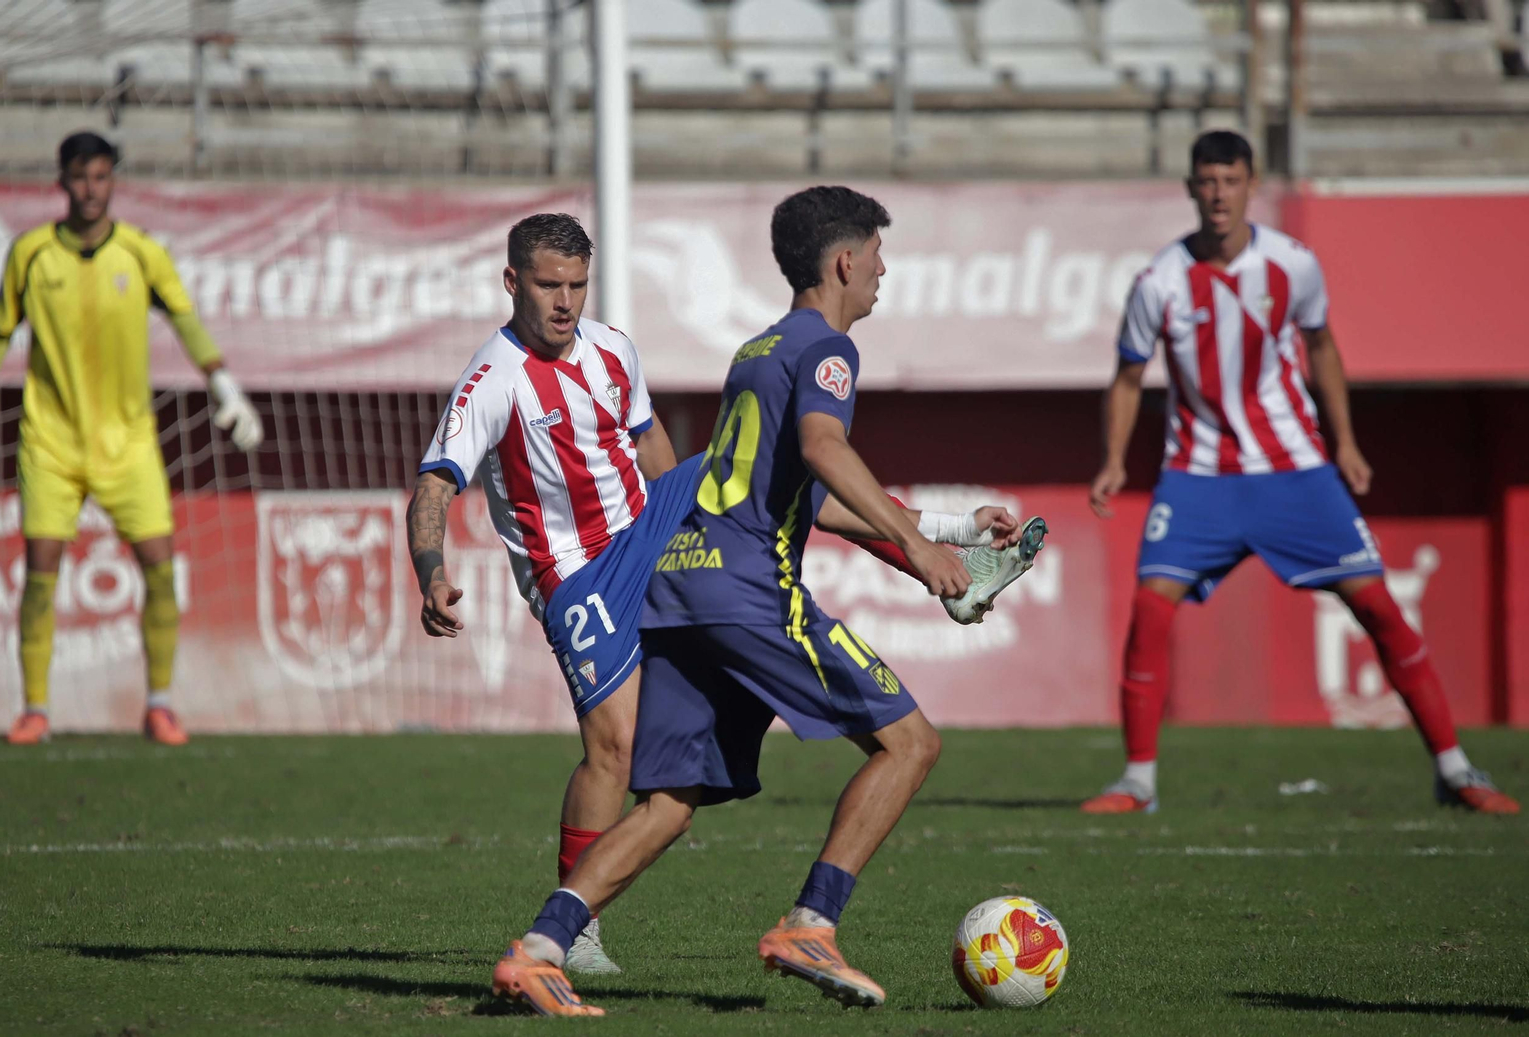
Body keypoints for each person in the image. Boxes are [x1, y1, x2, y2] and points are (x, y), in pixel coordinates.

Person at [488, 186, 1042, 1017]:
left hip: (677, 587)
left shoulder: (758, 349)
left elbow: (807, 495)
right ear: (844, 261)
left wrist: (951, 531)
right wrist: (923, 549)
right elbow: (824, 450)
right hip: (746, 590)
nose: (884, 272)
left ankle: (537, 949)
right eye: (878, 256)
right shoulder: (829, 351)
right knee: (911, 744)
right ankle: (812, 923)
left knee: (670, 804)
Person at [1081, 129, 1518, 816]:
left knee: (1377, 606)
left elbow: (1323, 347)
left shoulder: (1293, 265)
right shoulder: (1158, 281)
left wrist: (1346, 443)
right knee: (1150, 608)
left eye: (1231, 180)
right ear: (1191, 188)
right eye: (1207, 181)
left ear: (1252, 185)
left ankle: (1456, 768)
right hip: (1199, 476)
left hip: (1294, 471)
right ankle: (1138, 782)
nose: (1219, 194)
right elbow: (1129, 377)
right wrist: (1113, 459)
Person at [405, 213, 694, 974]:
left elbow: (647, 436)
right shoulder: (492, 379)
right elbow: (433, 486)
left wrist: (683, 528)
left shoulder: (614, 348)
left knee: (754, 473)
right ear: (512, 282)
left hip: (646, 547)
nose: (565, 302)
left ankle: (932, 541)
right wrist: (432, 573)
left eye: (577, 285)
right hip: (572, 576)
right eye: (548, 285)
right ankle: (577, 926)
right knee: (615, 746)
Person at [0, 131, 264, 747]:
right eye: (80, 177)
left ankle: (160, 705)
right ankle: (35, 709)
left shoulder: (141, 253)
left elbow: (186, 320)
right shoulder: (32, 253)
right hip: (51, 444)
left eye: (100, 176)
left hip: (128, 445)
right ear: (62, 181)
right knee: (40, 573)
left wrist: (226, 387)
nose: (91, 189)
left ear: (112, 181)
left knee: (161, 570)